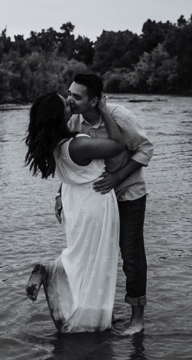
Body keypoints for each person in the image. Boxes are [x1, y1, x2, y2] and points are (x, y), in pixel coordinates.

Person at [23, 91, 128, 333]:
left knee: (83, 258)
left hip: (74, 200)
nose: (68, 102)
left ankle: (63, 285)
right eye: (64, 102)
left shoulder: (55, 144)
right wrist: (102, 108)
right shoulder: (77, 144)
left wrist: (59, 195)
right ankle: (57, 279)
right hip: (94, 201)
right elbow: (117, 145)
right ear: (57, 115)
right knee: (96, 262)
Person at [64, 73, 153, 335]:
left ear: (94, 101)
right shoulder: (74, 122)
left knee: (131, 257)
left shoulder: (119, 116)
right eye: (69, 93)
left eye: (76, 96)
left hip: (129, 194)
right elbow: (72, 162)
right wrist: (60, 195)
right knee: (98, 257)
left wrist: (116, 178)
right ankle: (105, 314)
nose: (70, 99)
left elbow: (145, 149)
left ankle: (137, 321)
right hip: (100, 199)